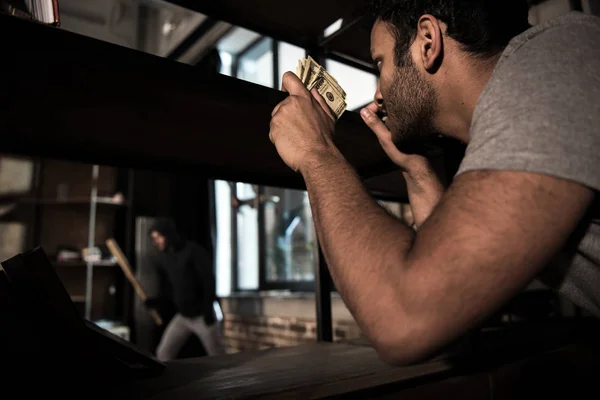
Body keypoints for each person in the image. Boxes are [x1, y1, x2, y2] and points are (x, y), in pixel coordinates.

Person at [268, 0, 600, 365]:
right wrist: (419, 173)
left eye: (380, 63)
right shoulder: (500, 135)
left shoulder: (555, 61)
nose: (378, 94)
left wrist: (317, 153)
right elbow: (447, 327)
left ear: (427, 41)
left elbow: (404, 319)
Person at [146, 218, 225, 360]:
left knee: (218, 357)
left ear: (167, 235)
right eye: (154, 239)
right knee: (163, 354)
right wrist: (156, 301)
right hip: (183, 317)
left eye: (158, 237)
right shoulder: (166, 258)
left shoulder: (193, 251)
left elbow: (209, 281)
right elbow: (173, 288)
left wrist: (208, 310)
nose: (156, 242)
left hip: (203, 316)